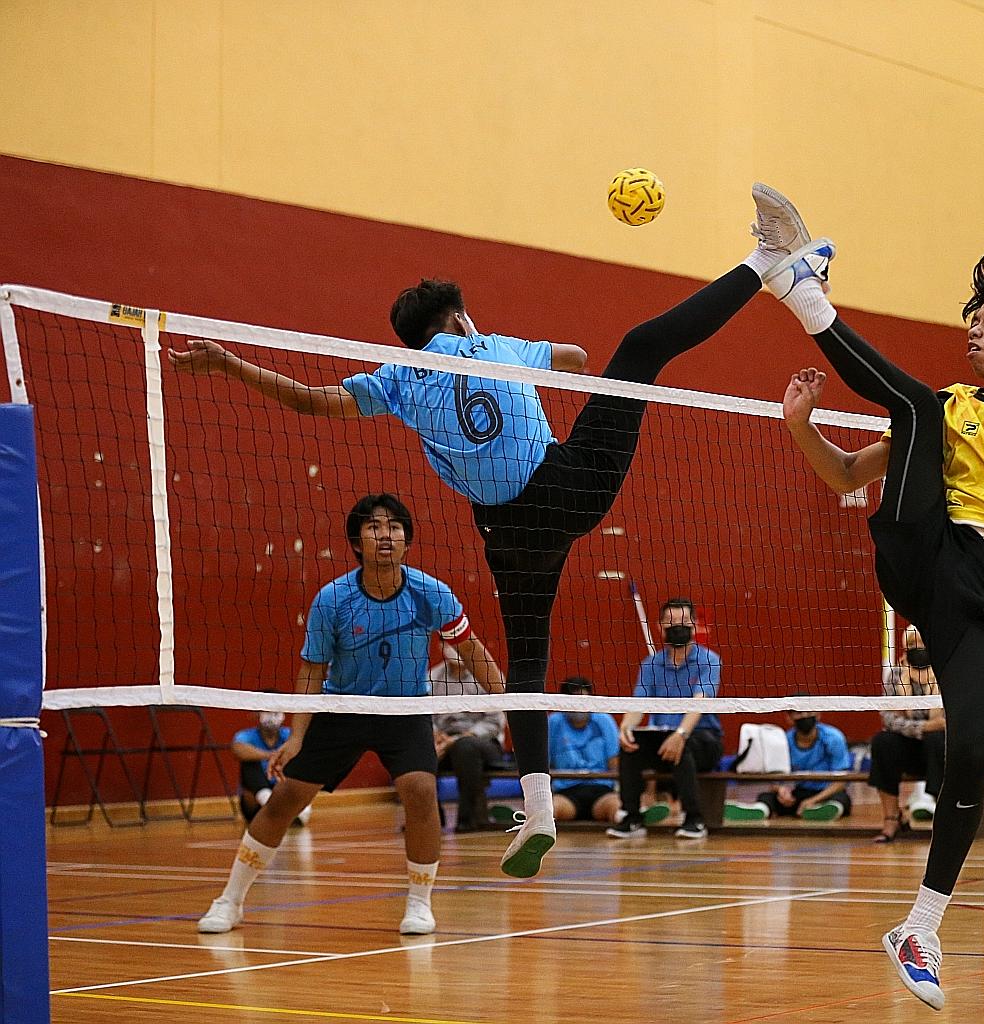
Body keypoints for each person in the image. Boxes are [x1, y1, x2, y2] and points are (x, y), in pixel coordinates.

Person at [169, 184, 817, 878]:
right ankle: (766, 261)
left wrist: (229, 364)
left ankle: (537, 808)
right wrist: (519, 362)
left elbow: (314, 401)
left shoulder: (398, 378)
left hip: (507, 533)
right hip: (564, 487)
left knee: (527, 665)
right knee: (640, 348)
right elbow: (576, 357)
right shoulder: (491, 345)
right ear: (459, 316)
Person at [770, 142, 984, 1010]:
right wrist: (803, 427)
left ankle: (921, 926)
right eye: (973, 317)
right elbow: (847, 478)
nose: (974, 328)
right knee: (920, 406)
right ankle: (801, 290)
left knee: (973, 753)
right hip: (926, 551)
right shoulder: (949, 409)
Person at [196, 494, 504, 936]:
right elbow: (312, 670)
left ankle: (419, 904)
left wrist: (508, 700)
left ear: (407, 541)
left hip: (405, 710)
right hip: (342, 707)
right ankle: (230, 900)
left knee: (420, 790)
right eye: (374, 527)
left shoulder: (431, 593)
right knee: (285, 798)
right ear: (357, 542)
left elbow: (471, 649)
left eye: (395, 527)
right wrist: (297, 737)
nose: (386, 535)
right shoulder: (333, 599)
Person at [607, 598, 725, 840]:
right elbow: (639, 704)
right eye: (671, 622)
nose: (677, 627)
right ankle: (632, 818)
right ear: (660, 628)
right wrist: (626, 728)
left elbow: (700, 702)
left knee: (683, 746)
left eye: (683, 622)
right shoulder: (650, 665)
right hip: (662, 739)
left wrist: (680, 734)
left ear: (694, 626)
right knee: (630, 747)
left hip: (703, 739)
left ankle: (694, 819)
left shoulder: (709, 660)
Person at [868, 626, 944, 842]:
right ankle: (891, 819)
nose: (917, 648)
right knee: (882, 742)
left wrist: (929, 727)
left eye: (922, 642)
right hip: (909, 746)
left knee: (937, 740)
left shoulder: (947, 671)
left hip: (939, 748)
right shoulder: (895, 675)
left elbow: (950, 720)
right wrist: (924, 727)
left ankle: (941, 815)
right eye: (912, 644)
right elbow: (889, 718)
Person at [726, 705, 853, 821]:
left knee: (842, 799)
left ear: (818, 714)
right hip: (800, 792)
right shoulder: (784, 741)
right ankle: (760, 810)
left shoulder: (834, 738)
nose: (805, 716)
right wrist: (781, 790)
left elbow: (841, 781)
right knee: (767, 797)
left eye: (809, 711)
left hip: (827, 793)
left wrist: (813, 800)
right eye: (799, 713)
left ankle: (827, 810)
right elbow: (775, 778)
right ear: (789, 718)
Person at [431, 643, 509, 833]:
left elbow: (494, 723)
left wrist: (457, 739)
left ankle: (468, 819)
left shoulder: (487, 674)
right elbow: (425, 716)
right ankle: (431, 818)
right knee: (418, 750)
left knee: (465, 747)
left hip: (483, 744)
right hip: (444, 742)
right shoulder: (432, 677)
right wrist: (435, 736)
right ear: (441, 646)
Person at [548, 676, 622, 824]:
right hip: (567, 793)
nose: (579, 707)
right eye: (574, 701)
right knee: (551, 810)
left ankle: (632, 816)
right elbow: (546, 763)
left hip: (601, 791)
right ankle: (525, 818)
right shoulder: (554, 722)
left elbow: (615, 763)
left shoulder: (604, 720)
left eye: (583, 700)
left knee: (616, 807)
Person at [230, 706, 309, 827]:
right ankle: (268, 801)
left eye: (276, 712)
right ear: (257, 714)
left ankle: (301, 809)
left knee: (296, 761)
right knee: (249, 764)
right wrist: (271, 756)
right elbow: (237, 749)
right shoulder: (246, 736)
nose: (272, 716)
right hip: (255, 803)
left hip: (283, 789)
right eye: (267, 712)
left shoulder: (289, 735)